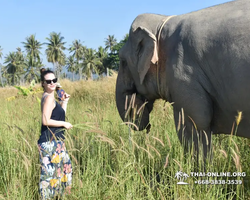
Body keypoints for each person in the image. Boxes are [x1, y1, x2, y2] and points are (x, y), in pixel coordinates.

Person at [38, 68, 73, 200]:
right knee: (50, 177)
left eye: (54, 80)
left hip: (56, 142)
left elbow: (59, 117)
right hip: (49, 142)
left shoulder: (51, 98)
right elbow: (45, 120)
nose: (52, 83)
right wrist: (64, 124)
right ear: (43, 83)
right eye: (49, 81)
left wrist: (64, 102)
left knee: (64, 172)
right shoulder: (48, 99)